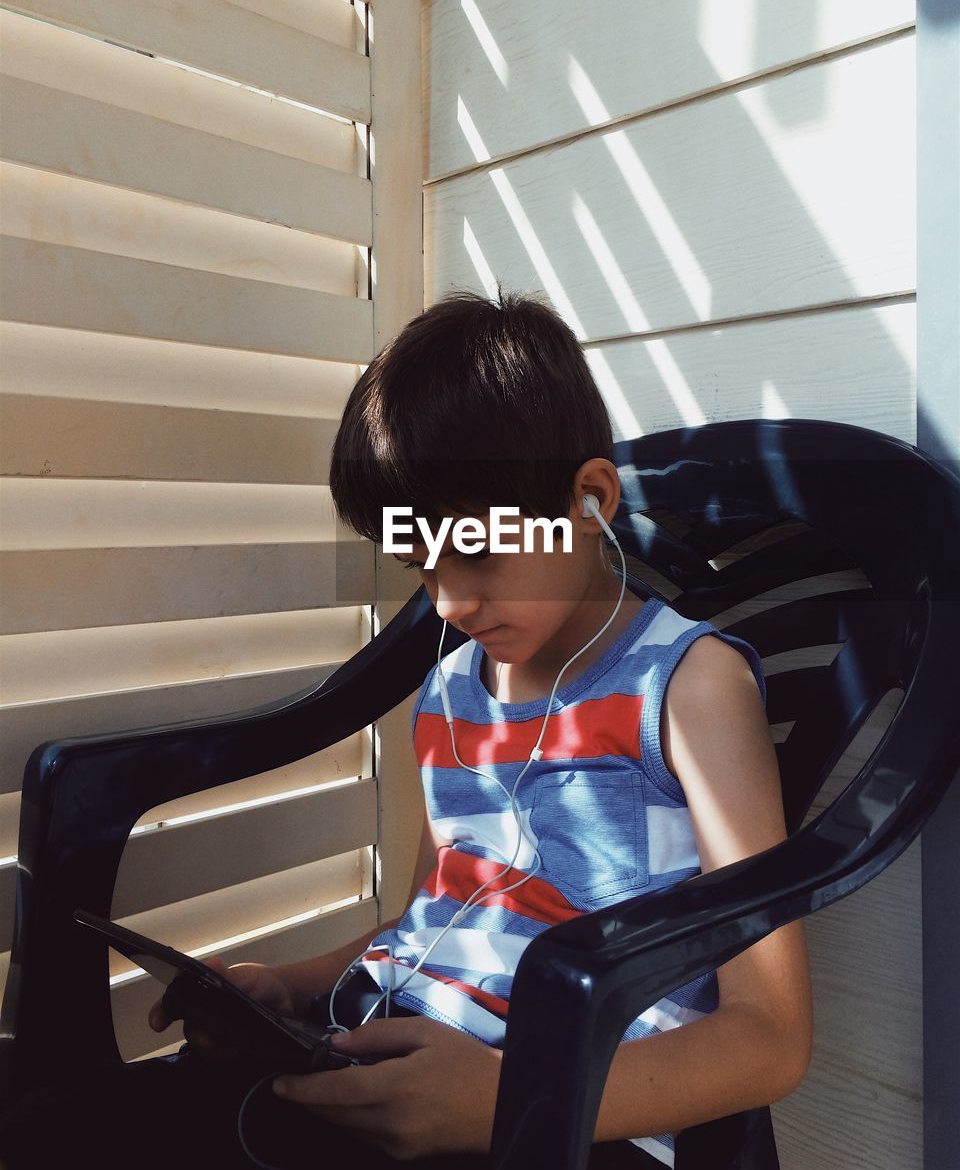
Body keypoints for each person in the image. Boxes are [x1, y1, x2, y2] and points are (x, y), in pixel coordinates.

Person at [0, 289, 811, 1170]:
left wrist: (505, 1098)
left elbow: (768, 1038)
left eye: (477, 552)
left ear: (589, 500)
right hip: (392, 1053)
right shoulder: (453, 689)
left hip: (571, 1118)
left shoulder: (689, 688)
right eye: (420, 564)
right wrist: (290, 992)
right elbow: (434, 918)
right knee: (79, 1125)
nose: (451, 602)